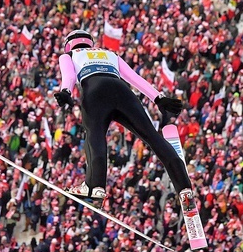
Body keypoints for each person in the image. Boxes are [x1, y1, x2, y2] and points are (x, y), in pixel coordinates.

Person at [54, 30, 203, 237]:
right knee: (152, 137)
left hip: (95, 92)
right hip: (123, 93)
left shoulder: (68, 56)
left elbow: (69, 76)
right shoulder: (110, 54)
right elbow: (135, 78)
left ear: (69, 45)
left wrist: (65, 92)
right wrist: (159, 99)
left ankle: (95, 186)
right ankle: (184, 188)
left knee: (94, 134)